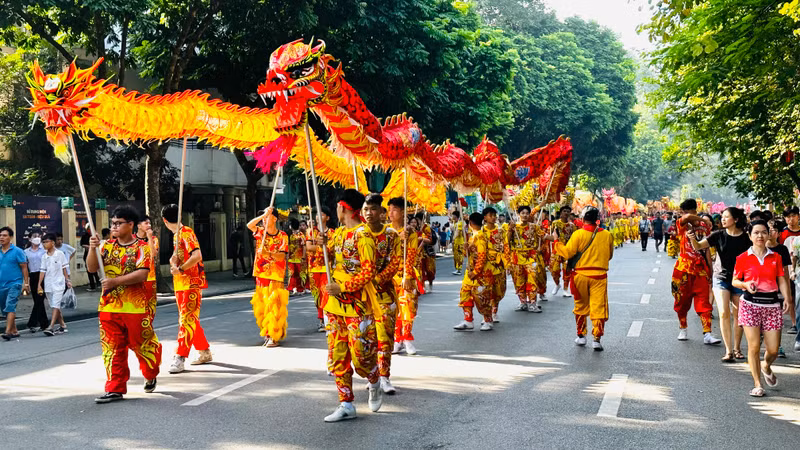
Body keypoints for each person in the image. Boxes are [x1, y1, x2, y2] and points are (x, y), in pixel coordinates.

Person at [86, 206, 161, 403]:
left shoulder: (142, 247)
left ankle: (150, 371)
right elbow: (92, 268)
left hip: (134, 307)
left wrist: (114, 282)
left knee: (141, 344)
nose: (115, 226)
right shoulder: (106, 246)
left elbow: (142, 274)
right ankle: (115, 387)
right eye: (113, 223)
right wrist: (92, 248)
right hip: (109, 306)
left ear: (131, 225)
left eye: (119, 223)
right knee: (111, 348)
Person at [322, 189, 381, 422]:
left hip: (358, 305)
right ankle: (346, 403)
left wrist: (343, 287)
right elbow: (331, 255)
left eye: (337, 205)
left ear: (343, 207)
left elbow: (369, 270)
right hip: (334, 307)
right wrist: (323, 244)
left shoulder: (363, 235)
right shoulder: (339, 234)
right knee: (337, 356)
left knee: (362, 358)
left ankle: (374, 378)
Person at [731, 220, 790, 397]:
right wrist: (745, 284)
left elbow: (781, 279)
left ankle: (766, 365)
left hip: (772, 305)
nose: (760, 236)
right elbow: (735, 281)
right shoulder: (742, 258)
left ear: (769, 234)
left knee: (773, 349)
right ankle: (757, 384)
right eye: (756, 232)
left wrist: (786, 297)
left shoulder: (776, 257)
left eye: (764, 232)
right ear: (749, 236)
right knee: (754, 346)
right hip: (750, 305)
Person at [688, 207, 750, 361]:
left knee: (738, 315)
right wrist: (692, 238)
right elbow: (698, 246)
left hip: (740, 279)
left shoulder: (746, 238)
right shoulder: (717, 235)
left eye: (726, 217)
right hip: (720, 278)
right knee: (723, 313)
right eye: (722, 216)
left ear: (735, 219)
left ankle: (737, 348)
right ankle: (728, 350)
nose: (722, 219)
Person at [546, 207, 613, 351]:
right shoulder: (607, 234)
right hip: (599, 276)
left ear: (582, 219)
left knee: (580, 306)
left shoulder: (578, 234)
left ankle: (581, 336)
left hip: (580, 276)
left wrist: (556, 241)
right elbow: (609, 255)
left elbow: (567, 253)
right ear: (597, 219)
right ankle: (597, 339)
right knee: (598, 307)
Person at [162, 204, 212, 373]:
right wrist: (173, 262)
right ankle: (204, 351)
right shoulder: (177, 235)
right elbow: (181, 257)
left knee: (186, 320)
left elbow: (197, 256)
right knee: (190, 319)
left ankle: (180, 356)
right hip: (181, 283)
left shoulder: (186, 233)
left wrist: (181, 268)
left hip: (191, 283)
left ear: (164, 220)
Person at [363, 194, 403, 392]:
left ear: (382, 212)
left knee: (385, 338)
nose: (369, 213)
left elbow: (395, 263)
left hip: (384, 295)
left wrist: (375, 280)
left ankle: (385, 376)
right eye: (365, 209)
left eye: (373, 209)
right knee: (366, 339)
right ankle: (372, 376)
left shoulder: (391, 236)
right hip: (361, 297)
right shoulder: (358, 234)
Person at [672, 199, 722, 345]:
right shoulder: (682, 223)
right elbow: (687, 218)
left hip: (700, 270)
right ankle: (683, 328)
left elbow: (706, 249)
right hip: (683, 269)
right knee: (681, 301)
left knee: (704, 302)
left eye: (684, 211)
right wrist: (703, 218)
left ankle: (707, 334)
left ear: (690, 210)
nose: (682, 214)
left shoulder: (703, 227)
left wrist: (710, 270)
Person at [248, 207, 290, 346]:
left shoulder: (282, 235)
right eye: (264, 217)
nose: (265, 220)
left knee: (275, 305)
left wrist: (268, 254)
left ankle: (274, 335)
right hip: (261, 273)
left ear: (275, 219)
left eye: (268, 217)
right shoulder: (260, 232)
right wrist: (263, 215)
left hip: (276, 274)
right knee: (263, 304)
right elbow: (249, 225)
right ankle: (267, 332)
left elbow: (282, 256)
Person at [388, 199, 421, 355]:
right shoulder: (385, 231)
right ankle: (396, 339)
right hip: (388, 277)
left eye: (394, 210)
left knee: (408, 308)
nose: (390, 213)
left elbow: (412, 256)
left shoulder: (411, 233)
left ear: (402, 212)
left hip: (405, 276)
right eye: (389, 210)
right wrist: (397, 238)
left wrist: (407, 275)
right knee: (393, 310)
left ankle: (407, 337)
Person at [454, 212, 493, 331]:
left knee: (482, 298)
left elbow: (482, 257)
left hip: (480, 274)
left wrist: (475, 272)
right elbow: (470, 254)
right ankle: (468, 320)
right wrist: (467, 248)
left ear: (470, 223)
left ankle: (488, 320)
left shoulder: (480, 237)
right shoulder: (473, 236)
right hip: (469, 273)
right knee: (465, 294)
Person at [508, 205, 546, 313]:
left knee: (532, 279)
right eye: (522, 213)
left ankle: (533, 303)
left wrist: (554, 238)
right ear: (519, 214)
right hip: (517, 257)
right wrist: (510, 230)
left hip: (531, 257)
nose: (525, 215)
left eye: (526, 213)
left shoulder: (534, 227)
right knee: (519, 281)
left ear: (529, 214)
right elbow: (507, 242)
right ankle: (523, 302)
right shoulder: (513, 226)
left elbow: (543, 237)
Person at [307, 208, 333, 332]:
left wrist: (322, 247)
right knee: (317, 295)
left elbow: (333, 248)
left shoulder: (332, 232)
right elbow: (309, 247)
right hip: (314, 267)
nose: (318, 216)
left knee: (326, 292)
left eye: (322, 214)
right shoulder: (311, 232)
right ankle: (321, 319)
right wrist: (323, 247)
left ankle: (327, 318)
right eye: (317, 214)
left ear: (327, 218)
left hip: (327, 267)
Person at [38, 233, 70, 336]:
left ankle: (51, 327)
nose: (44, 244)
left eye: (46, 242)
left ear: (52, 242)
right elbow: (42, 271)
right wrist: (39, 284)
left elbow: (64, 268)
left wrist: (67, 280)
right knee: (54, 306)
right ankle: (63, 326)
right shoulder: (44, 256)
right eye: (43, 242)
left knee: (56, 304)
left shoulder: (60, 254)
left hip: (59, 283)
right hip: (48, 284)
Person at [0, 227, 29, 340]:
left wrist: (26, 283)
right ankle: (14, 330)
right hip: (1, 285)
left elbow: (24, 267)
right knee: (5, 309)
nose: (2, 237)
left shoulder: (18, 251)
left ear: (10, 237)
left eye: (5, 235)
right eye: (0, 235)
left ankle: (8, 332)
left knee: (10, 306)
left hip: (14, 283)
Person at [482, 207, 508, 322]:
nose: (493, 217)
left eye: (494, 215)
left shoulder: (501, 231)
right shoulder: (480, 232)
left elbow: (506, 247)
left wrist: (507, 264)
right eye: (490, 215)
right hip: (486, 265)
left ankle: (494, 311)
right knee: (487, 290)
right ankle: (487, 314)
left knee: (498, 289)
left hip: (499, 264)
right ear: (485, 217)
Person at [24, 231, 48, 333]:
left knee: (40, 299)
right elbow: (25, 266)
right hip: (33, 276)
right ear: (30, 239)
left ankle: (38, 323)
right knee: (37, 300)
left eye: (38, 236)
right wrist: (26, 282)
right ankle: (39, 324)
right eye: (34, 236)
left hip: (43, 275)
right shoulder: (26, 252)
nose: (37, 238)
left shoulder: (44, 250)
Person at [550, 206, 577, 297]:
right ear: (561, 213)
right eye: (564, 211)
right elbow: (551, 236)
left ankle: (565, 289)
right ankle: (557, 284)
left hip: (567, 250)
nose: (566, 213)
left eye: (568, 211)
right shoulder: (555, 223)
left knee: (567, 270)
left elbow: (574, 239)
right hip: (556, 250)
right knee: (554, 270)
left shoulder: (572, 226)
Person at [136, 216, 159, 321]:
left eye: (150, 223)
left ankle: (148, 327)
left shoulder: (154, 239)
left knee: (150, 306)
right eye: (146, 223)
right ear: (138, 225)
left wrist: (149, 238)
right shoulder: (132, 239)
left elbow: (153, 254)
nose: (149, 225)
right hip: (135, 277)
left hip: (150, 278)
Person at [286, 218, 307, 295]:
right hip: (291, 258)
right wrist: (287, 256)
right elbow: (288, 246)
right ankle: (290, 288)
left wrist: (304, 256)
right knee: (291, 274)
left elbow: (304, 246)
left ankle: (300, 288)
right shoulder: (290, 235)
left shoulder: (301, 235)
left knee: (300, 274)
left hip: (300, 258)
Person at [416, 212, 436, 292]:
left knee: (429, 270)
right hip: (417, 252)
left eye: (417, 220)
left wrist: (421, 239)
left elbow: (429, 240)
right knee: (420, 270)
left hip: (426, 252)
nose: (416, 222)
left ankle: (430, 283)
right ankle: (421, 286)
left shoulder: (426, 227)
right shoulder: (415, 227)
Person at [80, 225, 99, 291]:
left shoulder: (95, 235)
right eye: (88, 229)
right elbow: (82, 244)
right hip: (87, 254)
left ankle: (98, 283)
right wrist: (89, 247)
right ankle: (92, 285)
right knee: (89, 270)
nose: (90, 230)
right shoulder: (85, 236)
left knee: (95, 270)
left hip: (96, 254)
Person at [451, 210, 466, 275]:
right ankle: (457, 269)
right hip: (456, 242)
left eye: (453, 215)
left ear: (455, 216)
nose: (452, 216)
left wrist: (453, 239)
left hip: (459, 242)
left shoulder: (460, 223)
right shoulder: (455, 223)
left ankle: (459, 269)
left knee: (459, 256)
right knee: (455, 256)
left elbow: (457, 232)